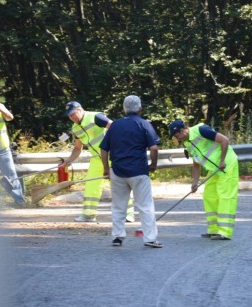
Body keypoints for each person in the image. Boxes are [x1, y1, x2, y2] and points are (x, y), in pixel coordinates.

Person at [100, 95, 162, 248]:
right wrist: (153, 165)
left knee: (119, 205)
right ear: (140, 109)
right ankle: (150, 239)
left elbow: (103, 149)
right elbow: (153, 148)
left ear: (124, 109)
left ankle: (117, 237)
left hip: (118, 170)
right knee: (145, 206)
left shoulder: (115, 126)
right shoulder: (144, 124)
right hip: (139, 171)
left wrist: (106, 169)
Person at [60, 101, 134, 222]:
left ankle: (128, 214)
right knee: (90, 186)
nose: (71, 117)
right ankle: (88, 214)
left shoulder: (95, 117)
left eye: (73, 114)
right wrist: (68, 161)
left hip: (112, 155)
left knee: (119, 184)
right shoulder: (75, 128)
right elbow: (77, 148)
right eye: (69, 115)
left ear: (80, 110)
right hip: (96, 159)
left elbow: (117, 128)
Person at [168, 119, 239, 240]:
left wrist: (222, 160)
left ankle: (225, 232)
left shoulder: (201, 130)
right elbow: (196, 164)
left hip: (227, 164)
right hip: (214, 168)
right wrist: (194, 182)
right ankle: (213, 230)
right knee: (209, 195)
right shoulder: (187, 143)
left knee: (225, 196)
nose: (177, 139)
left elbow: (224, 140)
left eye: (177, 135)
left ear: (183, 130)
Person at [0, 96, 25, 204]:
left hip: (2, 148)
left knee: (11, 175)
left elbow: (10, 117)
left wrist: (0, 108)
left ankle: (19, 201)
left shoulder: (0, 107)